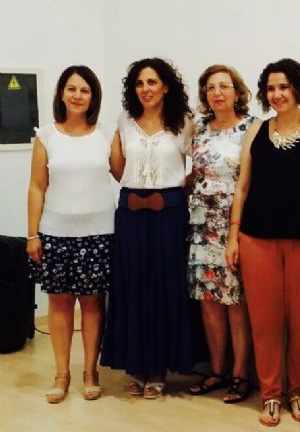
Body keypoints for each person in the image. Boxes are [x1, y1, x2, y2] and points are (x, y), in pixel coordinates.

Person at [226, 58, 300, 426]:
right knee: (264, 322)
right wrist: (233, 236)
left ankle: (297, 392)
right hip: (256, 239)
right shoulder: (256, 129)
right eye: (270, 88)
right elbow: (242, 186)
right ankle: (270, 394)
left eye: (284, 87)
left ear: (298, 89)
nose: (277, 94)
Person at [26, 65, 121, 403]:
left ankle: (90, 372)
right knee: (60, 302)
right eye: (72, 89)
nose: (78, 95)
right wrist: (32, 235)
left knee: (93, 303)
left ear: (93, 97)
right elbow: (37, 187)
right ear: (62, 94)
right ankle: (62, 374)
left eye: (85, 90)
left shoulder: (107, 135)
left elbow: (125, 174)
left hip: (99, 232)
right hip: (55, 232)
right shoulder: (46, 137)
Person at [100, 58, 194, 399]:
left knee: (163, 286)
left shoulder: (184, 122)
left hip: (169, 212)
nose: (146, 89)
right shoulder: (124, 121)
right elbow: (117, 166)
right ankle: (135, 365)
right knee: (133, 285)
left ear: (166, 86)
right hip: (130, 213)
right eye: (139, 83)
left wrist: (173, 194)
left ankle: (158, 369)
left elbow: (197, 167)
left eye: (152, 82)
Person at [186, 64, 254, 403]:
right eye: (211, 87)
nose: (217, 93)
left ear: (237, 92)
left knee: (235, 302)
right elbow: (191, 174)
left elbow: (248, 181)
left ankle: (240, 374)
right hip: (200, 226)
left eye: (224, 86)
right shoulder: (197, 128)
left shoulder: (250, 127)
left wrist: (236, 234)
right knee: (209, 301)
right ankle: (216, 370)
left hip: (234, 224)